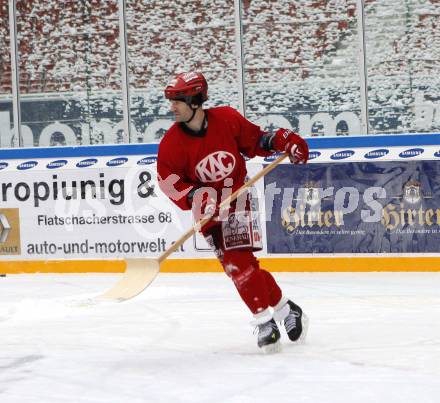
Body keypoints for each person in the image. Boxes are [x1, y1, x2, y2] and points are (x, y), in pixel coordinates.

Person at [157, 71, 309, 351]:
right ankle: (286, 309)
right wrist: (198, 196)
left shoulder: (226, 119)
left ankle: (264, 322)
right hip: (207, 212)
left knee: (237, 262)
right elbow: (169, 182)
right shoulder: (171, 144)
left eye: (177, 100)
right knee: (243, 268)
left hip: (236, 198)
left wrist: (286, 141)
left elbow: (258, 140)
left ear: (194, 100)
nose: (172, 107)